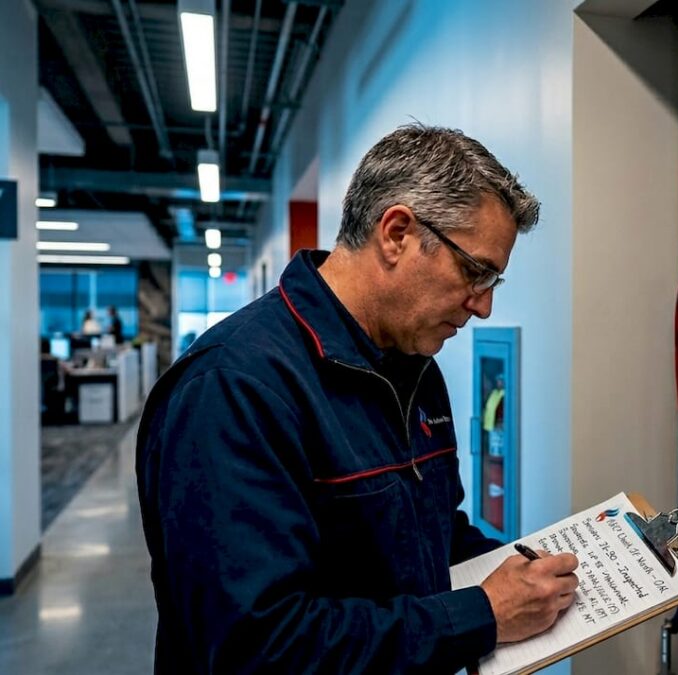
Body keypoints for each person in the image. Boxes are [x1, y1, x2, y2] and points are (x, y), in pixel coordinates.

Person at [136, 123, 579, 674]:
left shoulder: (415, 366)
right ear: (396, 233)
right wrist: (482, 614)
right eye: (475, 272)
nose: (482, 306)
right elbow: (257, 648)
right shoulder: (235, 387)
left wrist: (531, 574)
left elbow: (427, 535)